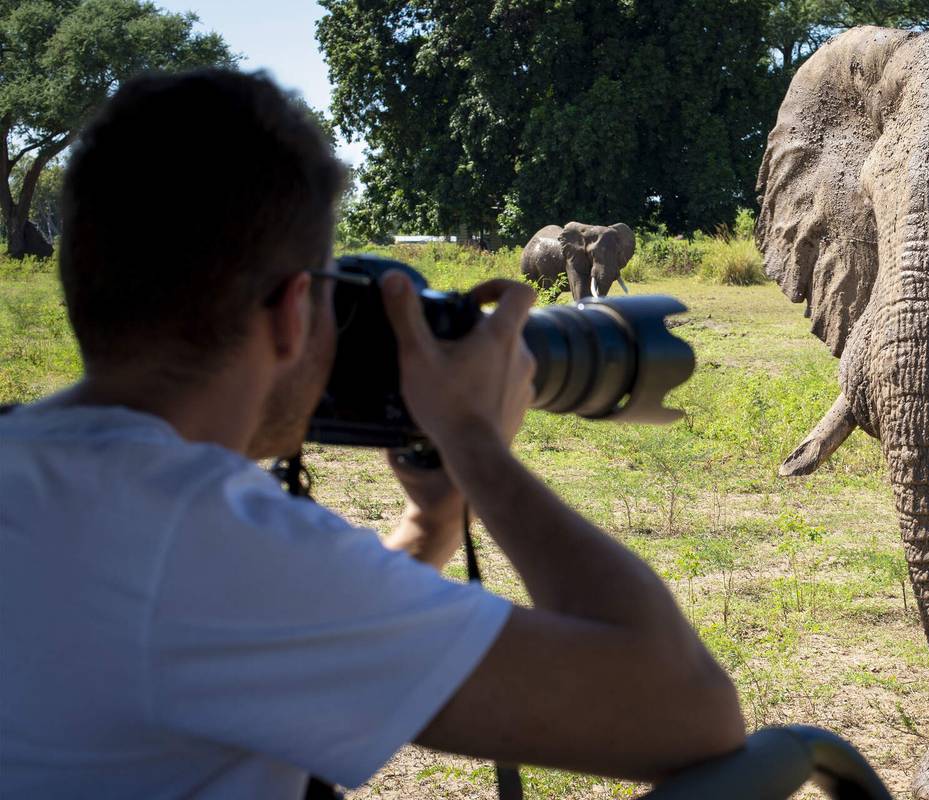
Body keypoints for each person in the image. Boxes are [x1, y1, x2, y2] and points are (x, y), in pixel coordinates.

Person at [0, 69, 744, 797]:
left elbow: (293, 643)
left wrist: (432, 514)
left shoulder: (47, 475)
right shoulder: (205, 547)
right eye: (334, 293)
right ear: (295, 312)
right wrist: (472, 441)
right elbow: (691, 712)